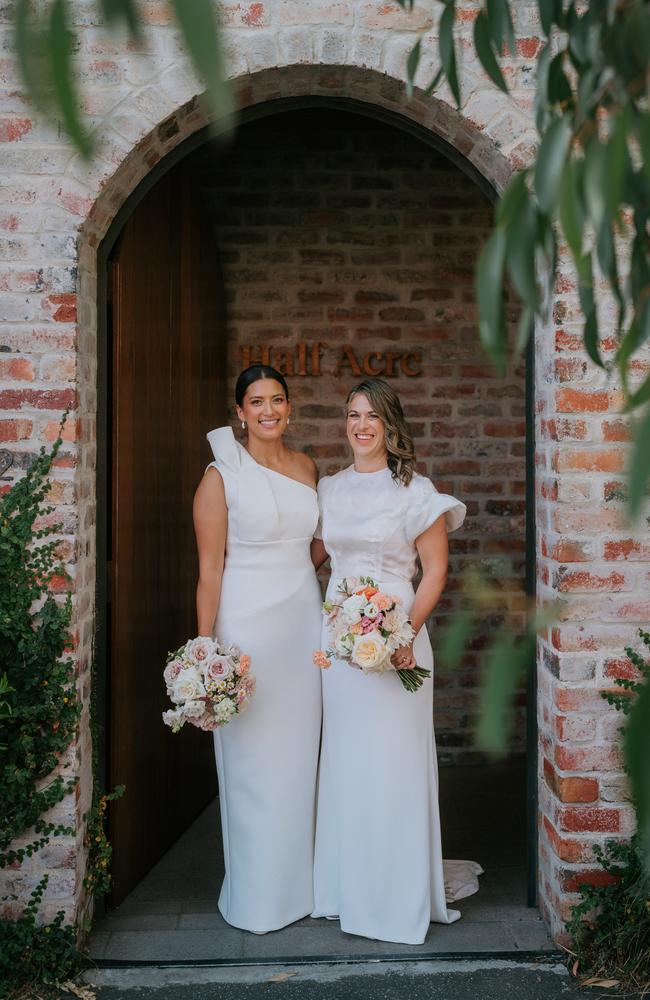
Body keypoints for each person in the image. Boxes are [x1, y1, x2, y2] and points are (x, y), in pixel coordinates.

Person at [310, 377, 482, 945]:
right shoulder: (329, 490)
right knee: (348, 763)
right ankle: (348, 887)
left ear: (390, 425)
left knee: (394, 763)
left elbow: (434, 571)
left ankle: (395, 895)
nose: (360, 426)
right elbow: (309, 557)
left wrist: (406, 632)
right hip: (340, 647)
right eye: (352, 414)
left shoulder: (416, 491)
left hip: (399, 643)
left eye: (371, 416)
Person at [193, 365, 322, 934]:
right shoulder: (219, 478)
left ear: (289, 408)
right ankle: (257, 896)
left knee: (299, 758)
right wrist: (205, 652)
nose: (268, 410)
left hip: (302, 624)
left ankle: (305, 886)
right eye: (256, 402)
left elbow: (316, 550)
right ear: (239, 412)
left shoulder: (307, 468)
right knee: (251, 762)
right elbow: (209, 572)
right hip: (245, 627)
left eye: (277, 400)